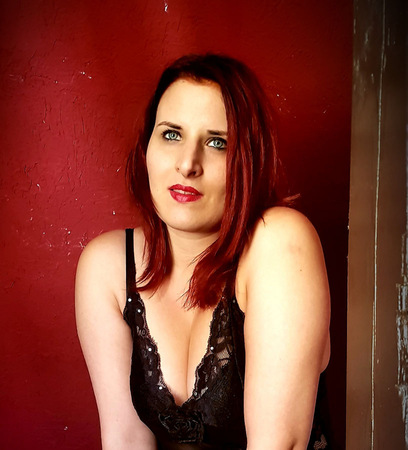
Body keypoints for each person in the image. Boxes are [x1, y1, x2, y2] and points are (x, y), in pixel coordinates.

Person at [75, 54, 331, 450]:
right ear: (146, 147)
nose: (187, 164)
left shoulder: (280, 242)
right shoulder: (107, 267)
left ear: (247, 159)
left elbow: (279, 444)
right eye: (171, 134)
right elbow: (125, 439)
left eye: (217, 143)